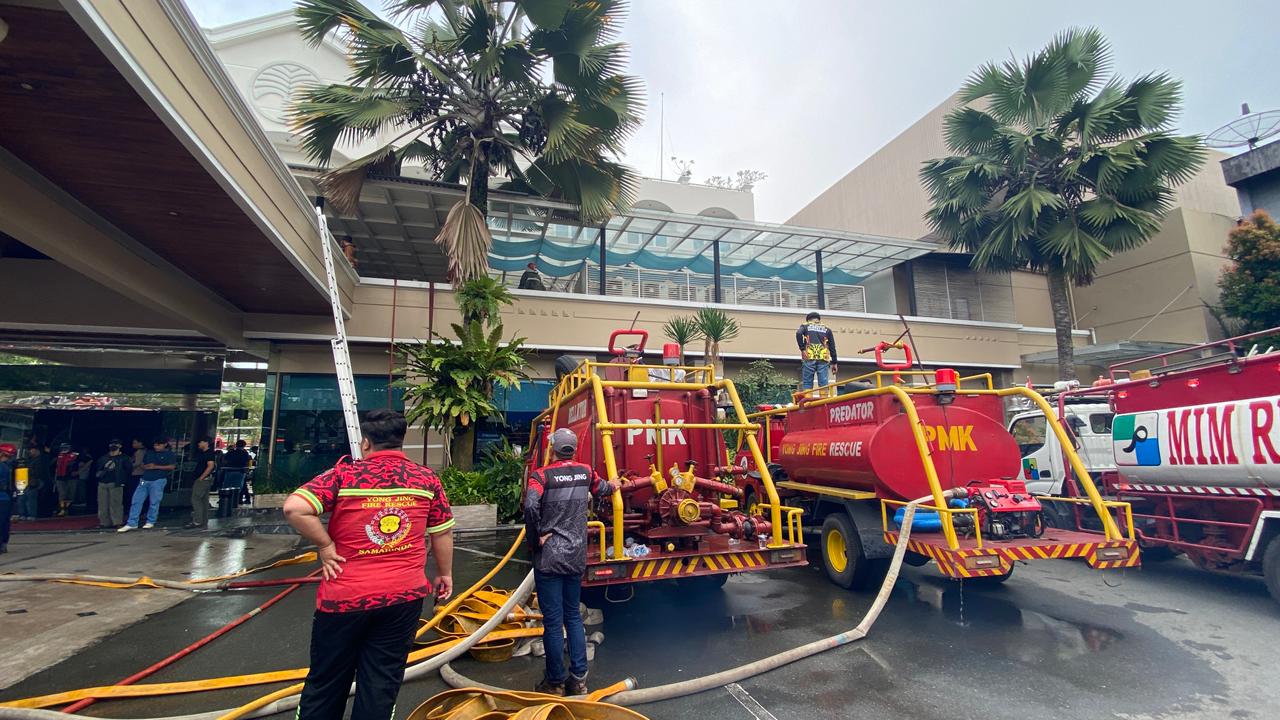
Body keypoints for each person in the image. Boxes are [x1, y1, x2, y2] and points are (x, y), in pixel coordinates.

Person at [283, 409, 455, 720]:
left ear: (366, 443)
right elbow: (442, 531)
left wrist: (325, 545)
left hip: (344, 600)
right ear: (401, 441)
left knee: (326, 683)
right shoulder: (427, 480)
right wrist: (445, 574)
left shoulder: (344, 476)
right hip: (403, 597)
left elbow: (295, 508)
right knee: (381, 682)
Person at [524, 428, 620, 696]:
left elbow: (531, 505)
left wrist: (536, 537)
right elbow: (603, 489)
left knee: (553, 622)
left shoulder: (541, 476)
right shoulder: (587, 472)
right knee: (573, 618)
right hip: (575, 557)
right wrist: (616, 484)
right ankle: (579, 679)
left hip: (550, 558)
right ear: (574, 449)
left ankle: (554, 681)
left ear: (552, 448)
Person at [118, 438, 176, 532]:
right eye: (155, 445)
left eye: (159, 445)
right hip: (145, 478)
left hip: (158, 479)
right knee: (136, 500)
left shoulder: (169, 454)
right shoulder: (149, 453)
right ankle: (132, 522)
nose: (156, 447)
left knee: (154, 501)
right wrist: (145, 467)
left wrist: (156, 466)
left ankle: (151, 521)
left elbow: (172, 466)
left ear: (164, 444)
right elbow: (142, 464)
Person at [796, 311, 838, 393]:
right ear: (819, 319)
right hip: (823, 358)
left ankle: (808, 403)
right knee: (823, 383)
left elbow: (798, 333)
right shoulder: (827, 329)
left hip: (809, 357)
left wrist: (802, 349)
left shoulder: (805, 326)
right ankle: (823, 403)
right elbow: (832, 346)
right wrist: (834, 362)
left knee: (808, 383)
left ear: (808, 320)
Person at [95, 440, 131, 529]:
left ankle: (117, 522)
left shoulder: (124, 458)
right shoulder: (103, 458)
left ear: (120, 446)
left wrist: (123, 480)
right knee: (102, 504)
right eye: (111, 444)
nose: (113, 446)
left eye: (115, 444)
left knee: (116, 503)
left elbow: (128, 470)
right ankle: (104, 522)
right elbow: (98, 469)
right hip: (103, 483)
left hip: (116, 483)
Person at [185, 438, 217, 529]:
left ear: (206, 442)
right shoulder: (204, 453)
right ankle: (203, 521)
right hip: (205, 479)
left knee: (196, 499)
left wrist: (201, 478)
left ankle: (197, 521)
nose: (199, 443)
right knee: (203, 500)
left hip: (203, 479)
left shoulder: (209, 453)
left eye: (200, 441)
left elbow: (210, 466)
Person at [219, 439, 252, 518]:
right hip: (240, 472)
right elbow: (247, 462)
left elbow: (224, 460)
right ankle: (235, 502)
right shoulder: (244, 453)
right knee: (238, 487)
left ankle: (226, 502)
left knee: (227, 486)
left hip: (229, 471)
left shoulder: (231, 452)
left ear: (236, 445)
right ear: (244, 445)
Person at [24, 444, 51, 520]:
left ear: (36, 450)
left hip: (36, 480)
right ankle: (25, 514)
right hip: (28, 480)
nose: (30, 451)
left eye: (32, 450)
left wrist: (48, 453)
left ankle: (32, 514)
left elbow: (43, 466)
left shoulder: (42, 459)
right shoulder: (30, 459)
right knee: (25, 497)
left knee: (31, 497)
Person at [53, 443, 78, 516]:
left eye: (66, 447)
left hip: (71, 477)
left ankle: (68, 508)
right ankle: (62, 509)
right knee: (62, 493)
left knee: (71, 494)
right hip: (60, 477)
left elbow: (88, 461)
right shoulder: (58, 456)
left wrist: (79, 471)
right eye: (63, 447)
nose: (64, 449)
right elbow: (53, 465)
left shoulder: (75, 455)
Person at [0, 443, 16, 552]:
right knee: (4, 522)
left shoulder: (3, 467)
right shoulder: (10, 466)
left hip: (2, 497)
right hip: (7, 498)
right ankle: (3, 543)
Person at [127, 438, 146, 516]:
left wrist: (129, 467)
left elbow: (137, 463)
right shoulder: (144, 451)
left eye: (135, 443)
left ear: (140, 443)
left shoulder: (140, 452)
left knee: (136, 493)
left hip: (138, 474)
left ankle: (140, 512)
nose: (133, 445)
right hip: (139, 474)